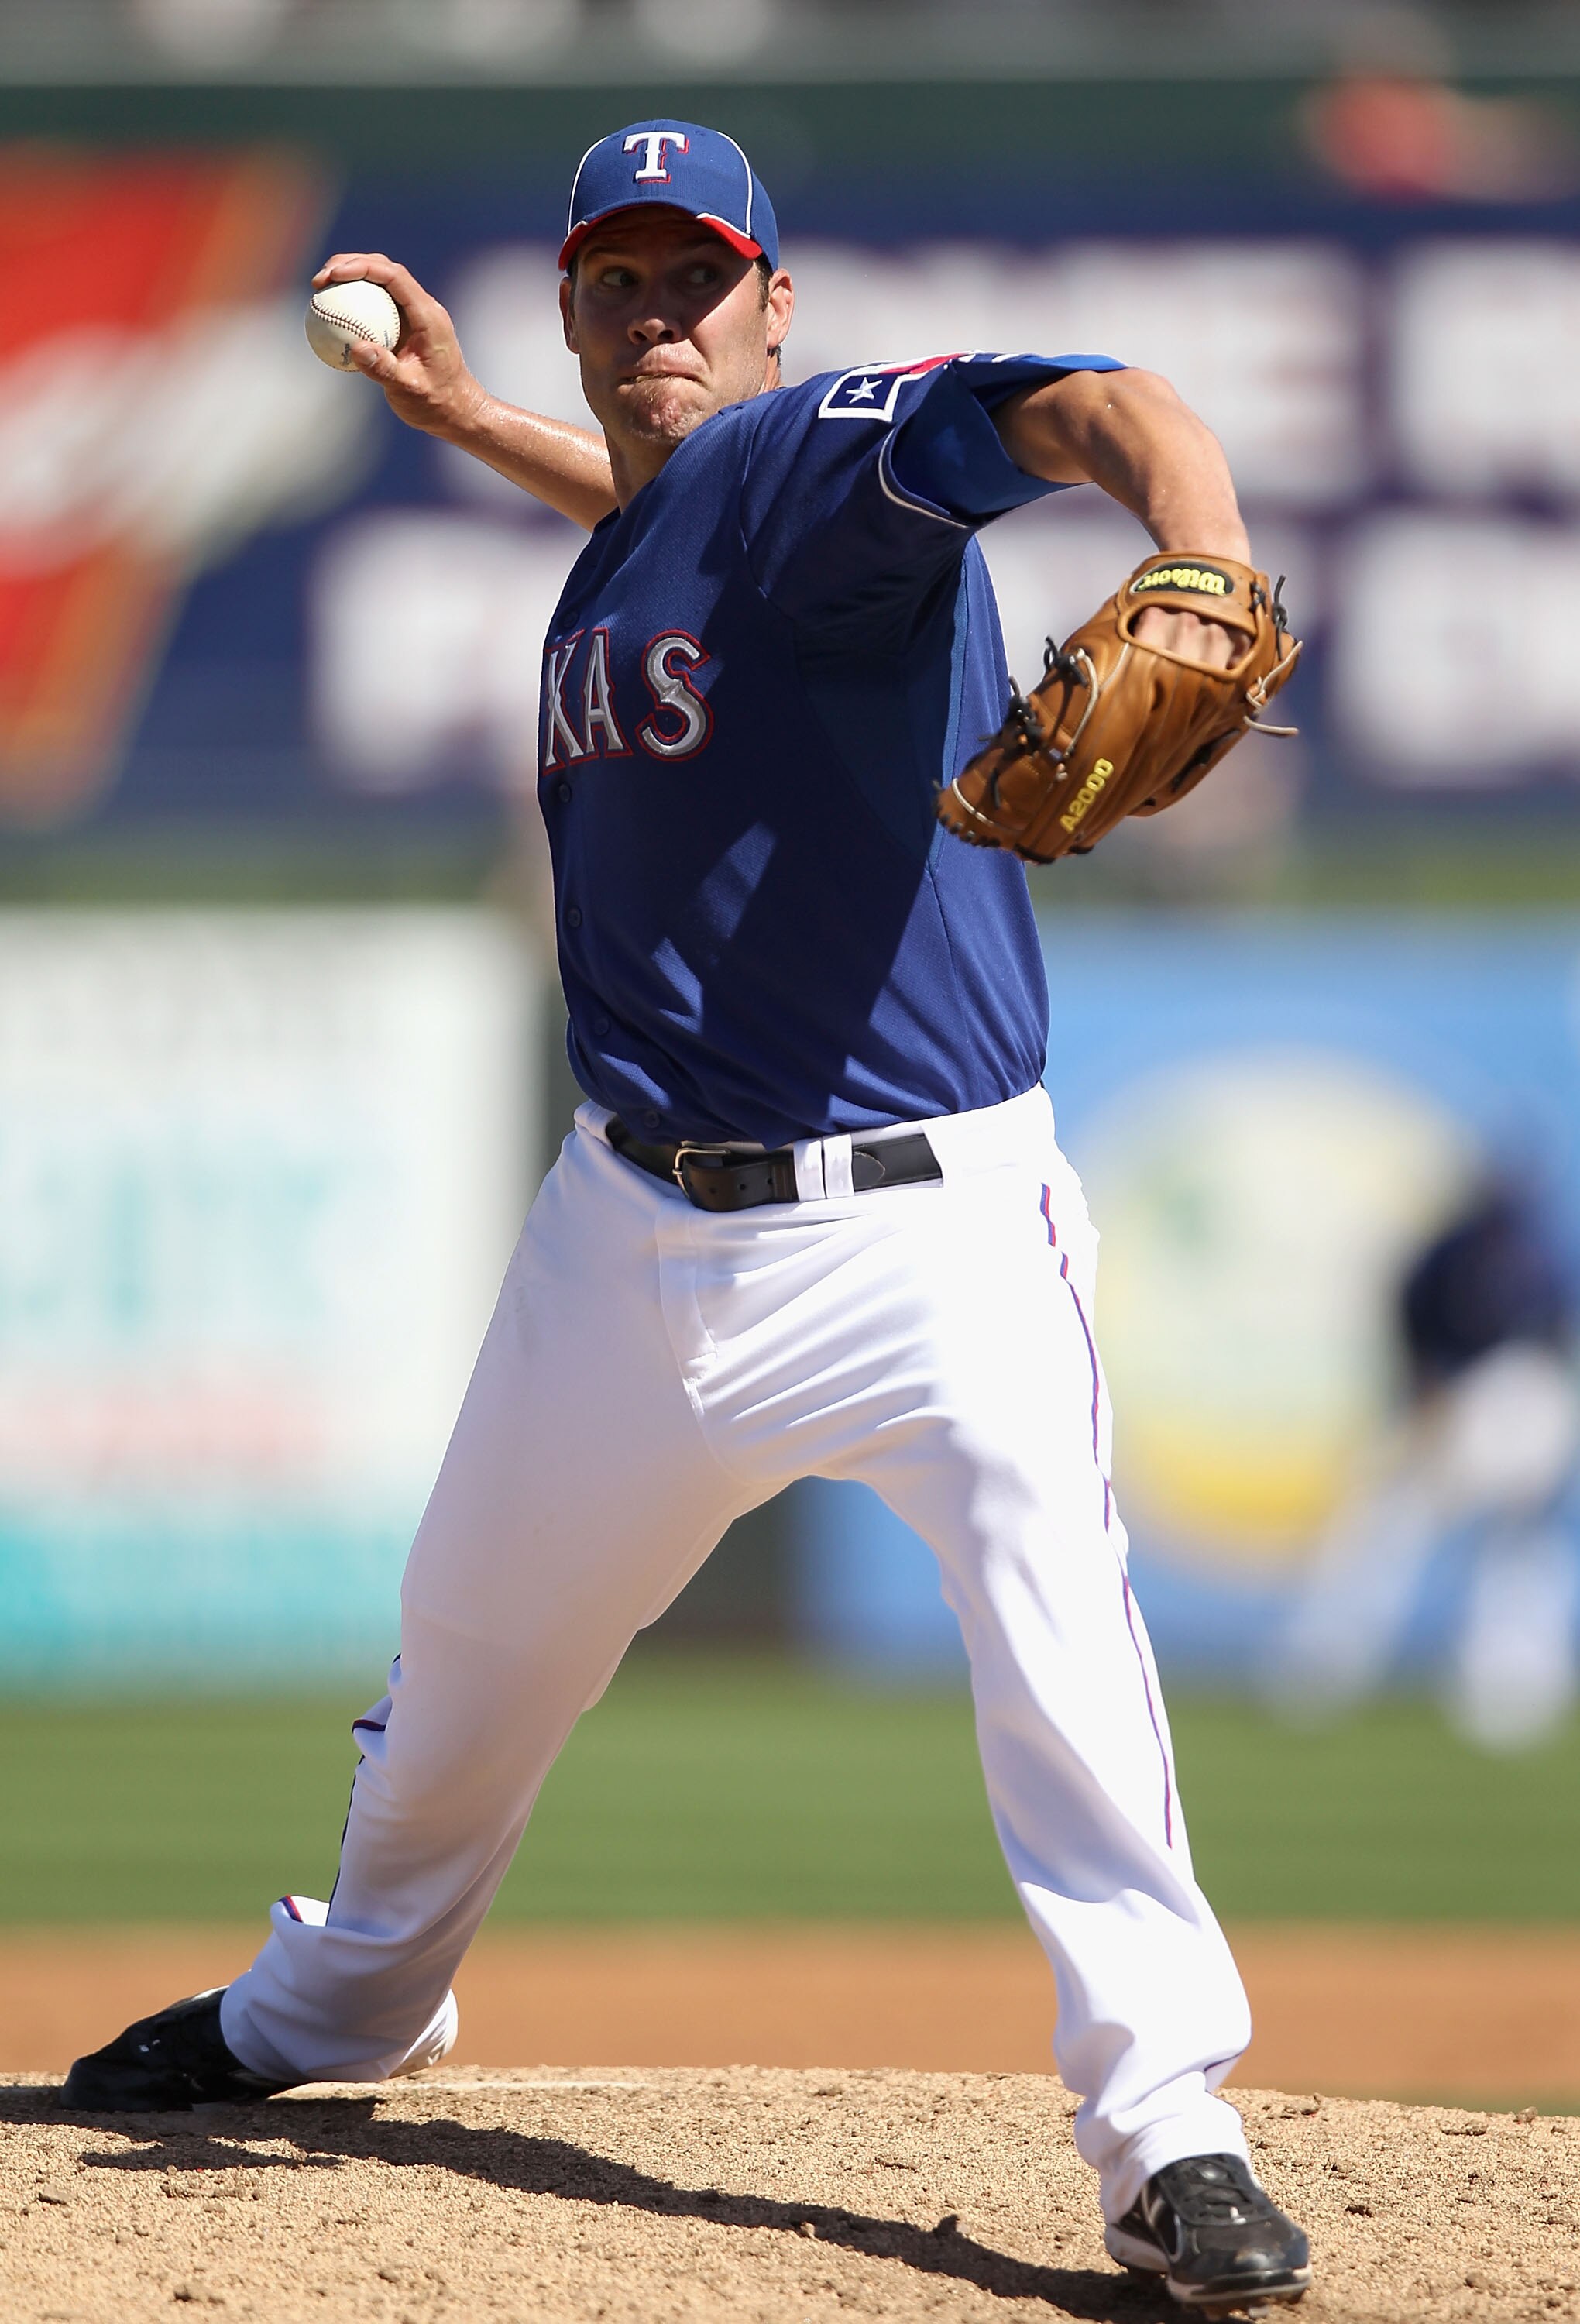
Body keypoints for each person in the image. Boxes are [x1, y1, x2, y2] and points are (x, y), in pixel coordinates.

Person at [64, 122, 1311, 2312]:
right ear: (572, 309)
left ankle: (1165, 2127)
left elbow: (1102, 405)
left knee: (1064, 1668)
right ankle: (337, 2012)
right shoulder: (669, 531)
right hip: (625, 1238)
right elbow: (662, 519)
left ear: (774, 306)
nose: (660, 313)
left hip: (930, 1235)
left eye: (697, 276)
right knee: (461, 1667)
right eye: (618, 281)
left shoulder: (834, 451)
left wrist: (1203, 553)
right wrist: (462, 423)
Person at [1269, 1172, 1580, 1750]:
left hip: (1502, 1404)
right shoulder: (1471, 1258)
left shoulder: (1489, 1257)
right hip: (1503, 1404)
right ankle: (1506, 1696)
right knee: (1503, 1546)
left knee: (1410, 1526)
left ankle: (1327, 1668)